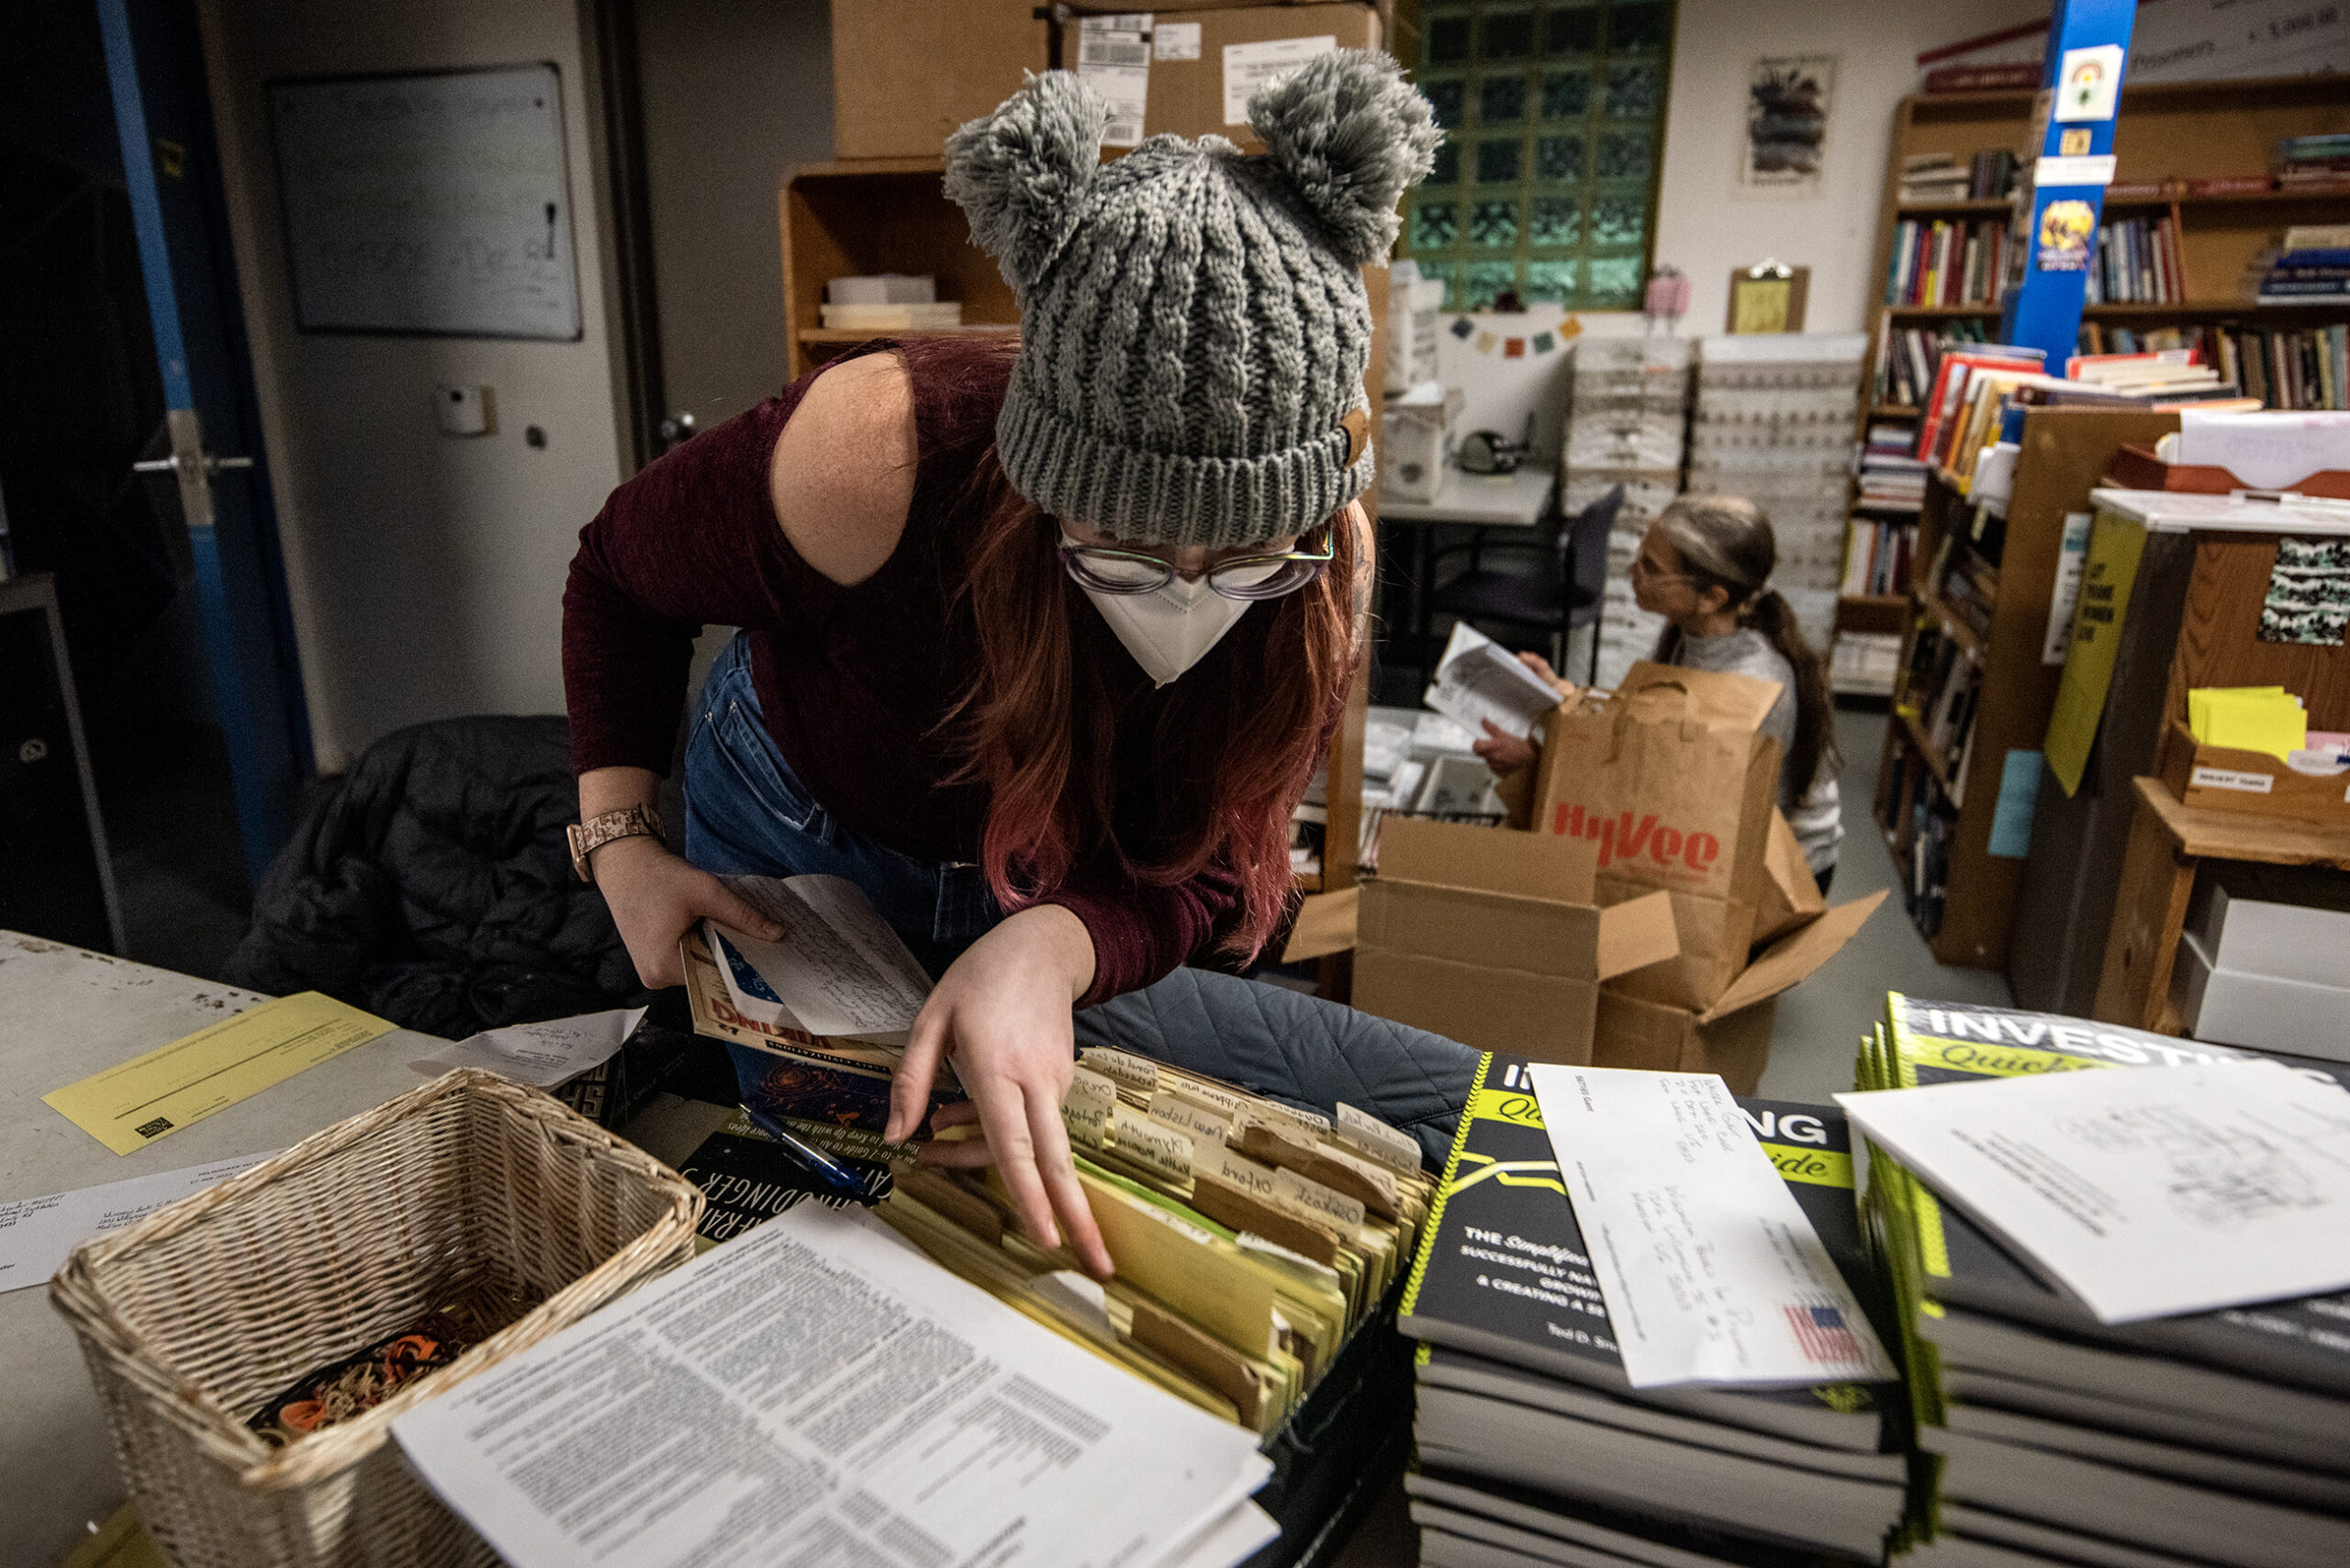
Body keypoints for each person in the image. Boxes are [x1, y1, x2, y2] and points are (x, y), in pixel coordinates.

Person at [560, 56, 1439, 1277]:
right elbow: (617, 576)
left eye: (1241, 556)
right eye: (1125, 548)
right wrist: (623, 844)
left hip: (1041, 837)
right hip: (804, 799)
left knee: (994, 1195)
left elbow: (1220, 867)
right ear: (1032, 500)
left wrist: (1059, 942)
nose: (1187, 599)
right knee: (839, 1185)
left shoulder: (1319, 572)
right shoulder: (874, 461)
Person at [1472, 496, 1843, 890]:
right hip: (1714, 826)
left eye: (1651, 567)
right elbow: (1649, 730)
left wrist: (1541, 762)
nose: (1632, 571)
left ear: (1712, 597)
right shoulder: (1696, 634)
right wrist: (1561, 695)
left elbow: (1669, 804)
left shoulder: (1751, 686)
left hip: (1778, 873)